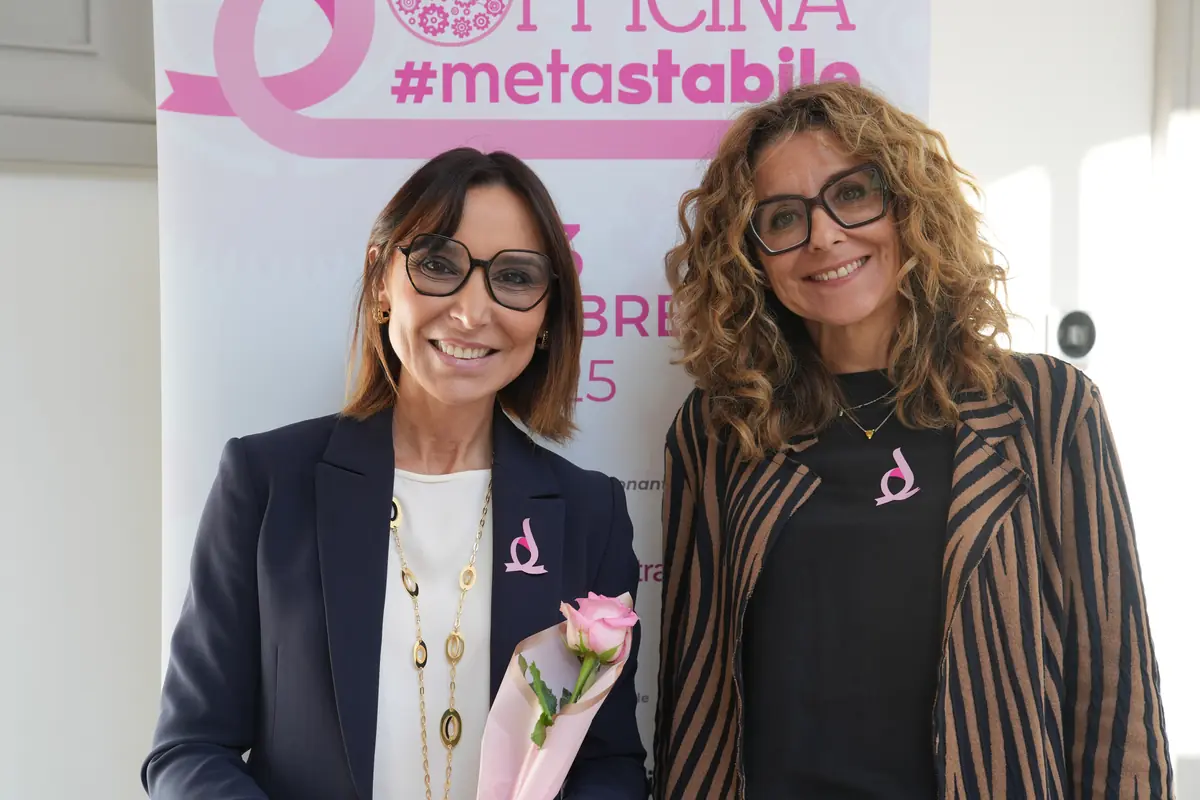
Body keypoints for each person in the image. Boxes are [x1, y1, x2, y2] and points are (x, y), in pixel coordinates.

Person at [652, 83, 1173, 799]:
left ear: (908, 206)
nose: (823, 236)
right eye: (783, 217)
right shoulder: (721, 426)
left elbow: (1117, 688)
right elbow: (695, 688)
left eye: (852, 194)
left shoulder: (1049, 407)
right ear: (752, 258)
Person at [142, 148, 648, 799]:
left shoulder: (589, 511)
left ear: (547, 315)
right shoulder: (267, 481)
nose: (471, 311)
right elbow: (189, 748)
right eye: (438, 265)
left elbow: (609, 763)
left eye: (515, 277)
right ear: (381, 279)